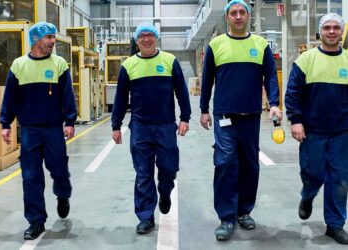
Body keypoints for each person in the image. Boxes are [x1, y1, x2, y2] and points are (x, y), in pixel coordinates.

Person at [200, 0, 282, 241]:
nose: (237, 16)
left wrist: (274, 103)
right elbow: (207, 80)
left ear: (248, 16)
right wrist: (204, 109)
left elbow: (271, 77)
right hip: (224, 116)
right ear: (227, 17)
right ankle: (226, 217)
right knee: (225, 163)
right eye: (233, 13)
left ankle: (244, 211)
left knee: (249, 164)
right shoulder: (216, 45)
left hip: (251, 116)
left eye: (241, 12)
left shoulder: (260, 45)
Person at [111, 22, 191, 234]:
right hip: (140, 128)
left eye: (150, 36)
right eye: (142, 36)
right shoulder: (128, 65)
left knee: (169, 169)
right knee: (143, 174)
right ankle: (145, 216)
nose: (146, 39)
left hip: (165, 126)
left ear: (156, 38)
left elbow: (182, 91)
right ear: (137, 41)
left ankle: (165, 193)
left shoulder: (169, 61)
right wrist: (116, 125)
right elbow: (120, 98)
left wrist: (185, 118)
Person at [0, 22, 77, 240]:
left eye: (53, 38)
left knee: (59, 170)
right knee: (30, 176)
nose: (53, 42)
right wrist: (5, 123)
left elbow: (67, 95)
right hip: (30, 130)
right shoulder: (19, 65)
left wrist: (70, 121)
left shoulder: (59, 64)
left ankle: (63, 195)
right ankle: (36, 220)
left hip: (53, 129)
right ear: (36, 39)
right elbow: (10, 98)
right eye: (49, 37)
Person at [285, 13, 348, 244]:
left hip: (342, 131)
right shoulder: (306, 59)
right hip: (312, 130)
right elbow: (292, 93)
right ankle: (308, 195)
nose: (331, 32)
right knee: (312, 173)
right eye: (327, 28)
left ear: (341, 32)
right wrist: (296, 120)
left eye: (336, 28)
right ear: (320, 32)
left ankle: (335, 225)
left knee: (340, 180)